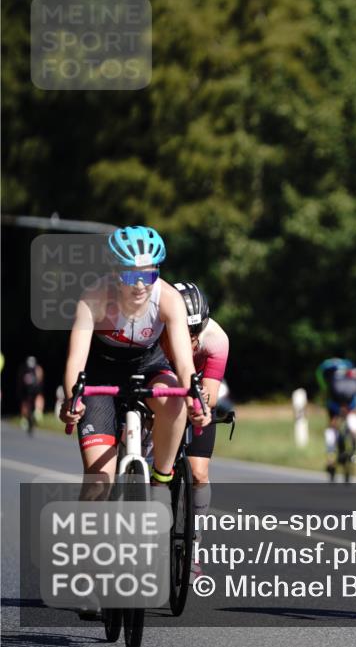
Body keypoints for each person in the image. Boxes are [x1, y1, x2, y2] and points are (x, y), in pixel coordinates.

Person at [59, 226, 206, 499]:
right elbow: (76, 359)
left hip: (148, 365)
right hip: (101, 373)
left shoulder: (169, 299)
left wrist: (194, 401)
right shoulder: (94, 297)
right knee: (98, 482)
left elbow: (185, 364)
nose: (140, 286)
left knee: (175, 400)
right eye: (130, 276)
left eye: (148, 275)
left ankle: (161, 481)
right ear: (114, 273)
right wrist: (72, 399)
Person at [165, 282, 230, 576]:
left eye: (196, 332)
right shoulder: (158, 328)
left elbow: (211, 396)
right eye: (184, 331)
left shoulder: (216, 339)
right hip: (162, 393)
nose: (190, 339)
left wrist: (200, 405)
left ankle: (194, 543)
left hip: (195, 396)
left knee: (199, 473)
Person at [315, 357, 356, 479]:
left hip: (334, 402)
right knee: (353, 422)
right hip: (351, 402)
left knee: (332, 426)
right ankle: (354, 446)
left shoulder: (326, 365)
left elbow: (320, 377)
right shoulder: (348, 364)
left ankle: (330, 458)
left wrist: (325, 389)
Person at [17, 355, 44, 432]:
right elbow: (40, 378)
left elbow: (20, 380)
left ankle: (25, 418)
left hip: (29, 390)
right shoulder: (37, 368)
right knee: (38, 397)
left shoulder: (24, 369)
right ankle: (37, 412)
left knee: (25, 402)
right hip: (32, 389)